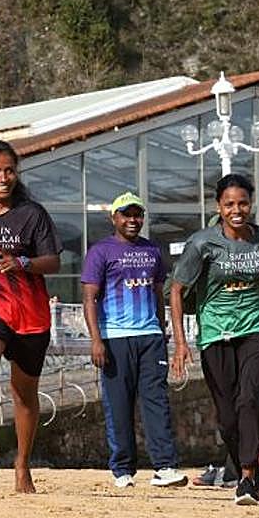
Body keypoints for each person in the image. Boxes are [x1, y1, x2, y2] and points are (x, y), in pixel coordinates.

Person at [170, 173, 259, 506]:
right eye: (229, 204)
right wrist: (182, 343)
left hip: (258, 330)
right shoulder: (202, 243)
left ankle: (245, 476)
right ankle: (252, 477)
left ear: (251, 204)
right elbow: (176, 290)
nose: (237, 210)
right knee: (227, 417)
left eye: (242, 203)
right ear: (219, 207)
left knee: (249, 399)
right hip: (215, 334)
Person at [0, 140, 61, 493]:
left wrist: (22, 262)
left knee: (24, 394)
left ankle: (22, 465)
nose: (3, 178)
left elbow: (52, 261)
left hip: (29, 314)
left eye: (9, 170)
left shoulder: (31, 213)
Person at [81, 191, 187, 489]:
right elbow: (89, 298)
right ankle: (122, 468)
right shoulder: (100, 251)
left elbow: (157, 292)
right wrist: (96, 340)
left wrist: (163, 329)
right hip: (115, 338)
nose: (132, 220)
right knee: (119, 404)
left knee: (157, 401)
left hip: (150, 337)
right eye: (126, 214)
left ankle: (165, 466)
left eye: (137, 214)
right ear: (114, 218)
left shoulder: (152, 250)